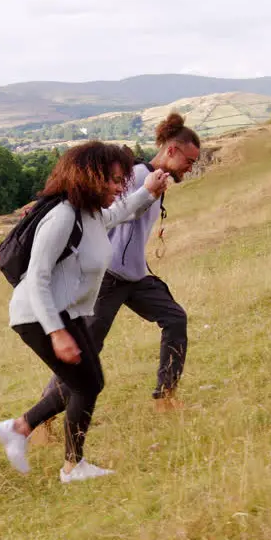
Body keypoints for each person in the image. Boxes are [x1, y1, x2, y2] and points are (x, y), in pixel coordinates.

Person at [0, 142, 172, 483]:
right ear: (91, 176)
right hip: (38, 315)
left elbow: (119, 213)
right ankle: (69, 464)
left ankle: (22, 429)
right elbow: (39, 278)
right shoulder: (62, 216)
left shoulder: (88, 213)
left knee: (87, 382)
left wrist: (148, 191)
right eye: (115, 180)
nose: (121, 188)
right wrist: (56, 332)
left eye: (123, 181)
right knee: (86, 385)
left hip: (64, 313)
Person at [29, 113, 200, 447]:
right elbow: (108, 219)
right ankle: (39, 421)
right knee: (83, 355)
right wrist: (147, 195)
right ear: (171, 150)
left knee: (174, 318)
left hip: (135, 277)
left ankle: (165, 396)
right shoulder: (138, 175)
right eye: (189, 161)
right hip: (109, 279)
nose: (190, 168)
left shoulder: (156, 178)